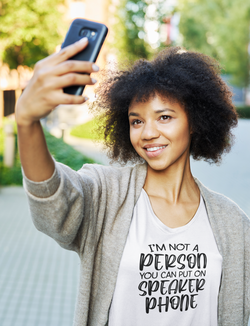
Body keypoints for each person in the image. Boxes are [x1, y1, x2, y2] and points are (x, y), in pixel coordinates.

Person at [16, 38, 250, 326]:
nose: (148, 133)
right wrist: (27, 123)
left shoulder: (233, 224)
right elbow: (53, 203)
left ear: (195, 121)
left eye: (164, 117)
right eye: (136, 121)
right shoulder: (105, 194)